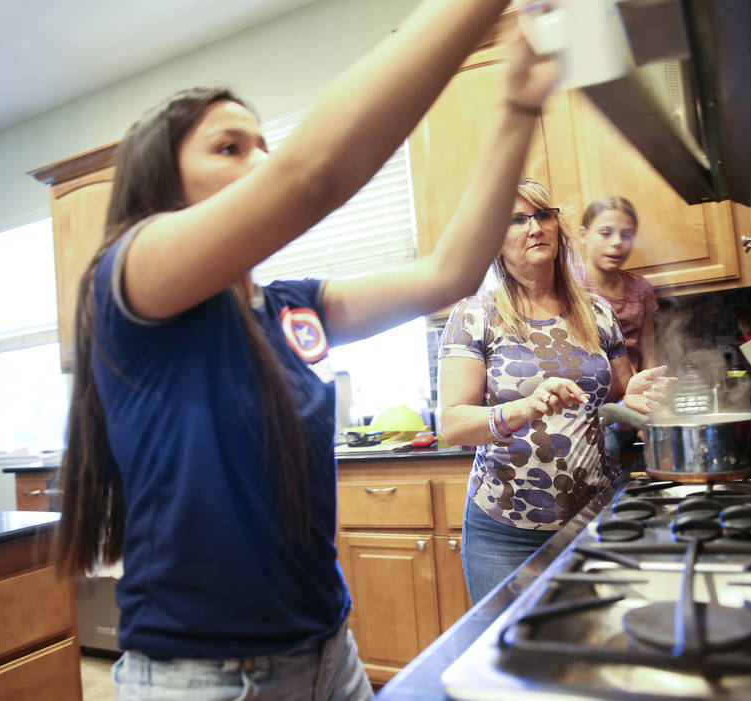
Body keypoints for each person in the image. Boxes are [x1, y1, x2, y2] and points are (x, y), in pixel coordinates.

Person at [53, 1, 558, 698]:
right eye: (230, 147)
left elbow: (451, 272)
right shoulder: (128, 280)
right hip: (206, 676)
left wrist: (518, 105)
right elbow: (309, 178)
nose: (261, 160)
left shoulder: (288, 305)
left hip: (328, 652)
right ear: (161, 186)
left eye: (264, 143)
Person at [437, 179, 669, 604]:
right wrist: (523, 408)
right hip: (504, 530)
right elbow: (453, 424)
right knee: (506, 658)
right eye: (517, 219)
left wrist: (634, 395)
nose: (535, 227)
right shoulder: (474, 316)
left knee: (590, 646)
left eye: (543, 215)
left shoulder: (597, 312)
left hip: (591, 518)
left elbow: (618, 396)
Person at [578, 196, 658, 470]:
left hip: (634, 401)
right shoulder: (570, 287)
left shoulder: (640, 288)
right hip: (593, 410)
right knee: (602, 476)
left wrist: (651, 402)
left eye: (626, 235)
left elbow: (649, 352)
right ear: (583, 235)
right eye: (606, 233)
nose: (617, 243)